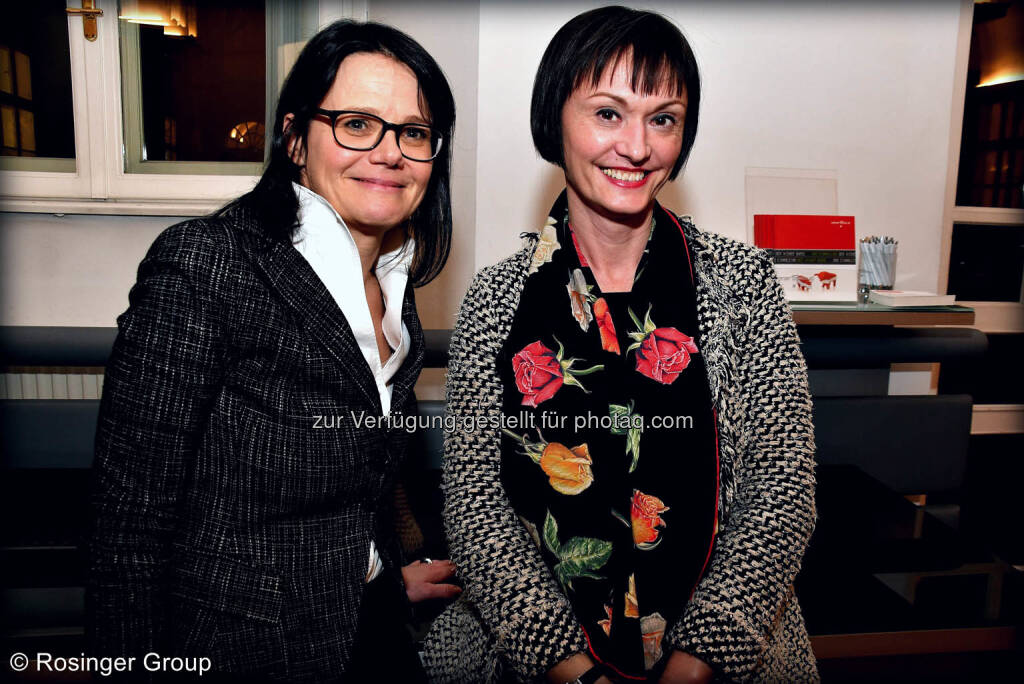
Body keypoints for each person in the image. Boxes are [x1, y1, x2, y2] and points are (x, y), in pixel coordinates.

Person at [424, 6, 817, 684]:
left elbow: (784, 490)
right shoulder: (495, 299)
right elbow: (475, 507)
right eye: (608, 113)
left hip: (728, 659)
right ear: (555, 117)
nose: (636, 146)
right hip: (531, 659)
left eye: (662, 119)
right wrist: (570, 670)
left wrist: (698, 663)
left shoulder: (742, 282)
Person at [87, 20, 459, 682]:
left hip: (367, 624)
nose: (389, 152)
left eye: (414, 132)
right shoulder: (207, 264)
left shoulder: (396, 286)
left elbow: (360, 475)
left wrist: (387, 572)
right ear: (294, 139)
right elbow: (128, 533)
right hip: (240, 650)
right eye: (356, 124)